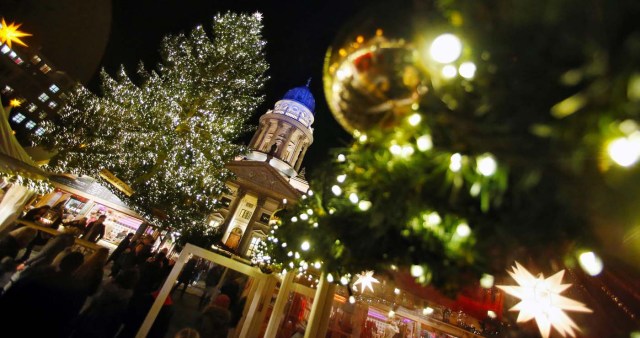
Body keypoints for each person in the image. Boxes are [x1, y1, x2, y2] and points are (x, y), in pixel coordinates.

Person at [0, 250, 85, 337]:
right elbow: (65, 320)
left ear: (59, 260)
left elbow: (14, 293)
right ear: (76, 269)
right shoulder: (76, 292)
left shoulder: (38, 274)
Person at [71, 269, 140, 338]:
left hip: (86, 324)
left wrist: (78, 321)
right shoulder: (125, 300)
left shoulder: (107, 289)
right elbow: (114, 325)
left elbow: (91, 306)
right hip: (100, 332)